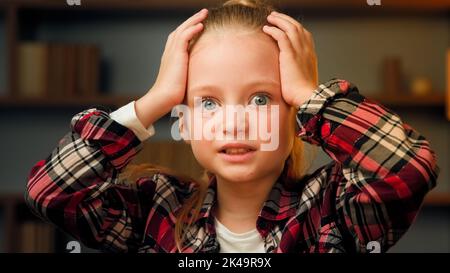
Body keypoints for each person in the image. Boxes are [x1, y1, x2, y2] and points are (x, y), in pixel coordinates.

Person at [25, 0, 439, 253]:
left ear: (294, 112)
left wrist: (311, 94)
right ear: (183, 116)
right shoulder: (157, 211)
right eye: (208, 102)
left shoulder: (333, 210)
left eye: (261, 99)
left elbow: (406, 170)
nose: (233, 124)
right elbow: (53, 193)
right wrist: (154, 100)